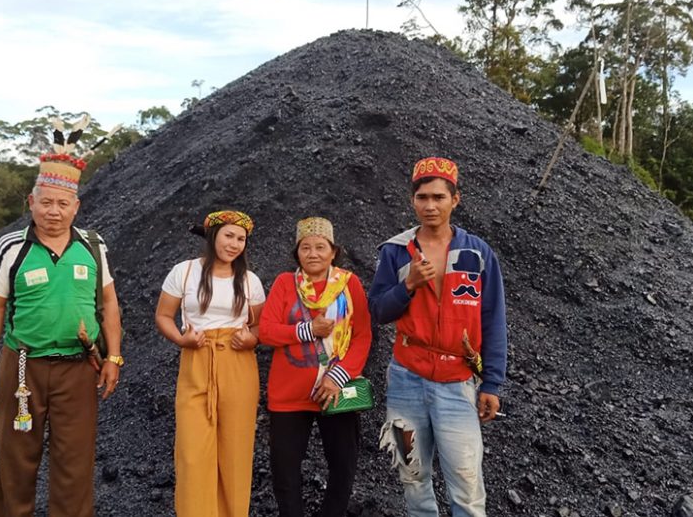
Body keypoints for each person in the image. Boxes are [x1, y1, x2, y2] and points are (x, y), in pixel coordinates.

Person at [0, 115, 124, 517]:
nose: (53, 212)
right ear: (31, 202)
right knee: (16, 463)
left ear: (76, 206)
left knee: (74, 465)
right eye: (46, 202)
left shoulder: (93, 247)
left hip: (78, 368)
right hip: (23, 367)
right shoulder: (11, 248)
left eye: (62, 204)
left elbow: (109, 303)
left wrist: (113, 357)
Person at [368, 157, 507, 517]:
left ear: (455, 200)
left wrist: (491, 382)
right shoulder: (396, 251)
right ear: (412, 200)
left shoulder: (478, 254)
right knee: (412, 475)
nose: (430, 206)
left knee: (466, 479)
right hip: (405, 379)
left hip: (457, 382)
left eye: (439, 197)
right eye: (422, 197)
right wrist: (408, 284)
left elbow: (493, 319)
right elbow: (378, 312)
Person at [154, 210, 266, 517]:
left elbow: (260, 326)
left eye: (241, 239)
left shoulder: (250, 280)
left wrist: (252, 340)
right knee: (192, 453)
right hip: (197, 358)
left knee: (235, 451)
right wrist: (181, 340)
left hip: (238, 362)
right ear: (212, 234)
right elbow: (163, 315)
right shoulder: (185, 272)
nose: (234, 244)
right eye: (228, 235)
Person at [258, 217, 373, 517]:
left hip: (337, 391)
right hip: (288, 395)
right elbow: (266, 331)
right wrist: (307, 330)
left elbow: (362, 336)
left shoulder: (349, 284)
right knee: (285, 472)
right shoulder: (285, 284)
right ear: (296, 253)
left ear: (333, 251)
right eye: (305, 247)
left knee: (343, 467)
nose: (313, 253)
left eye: (320, 247)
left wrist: (338, 376)